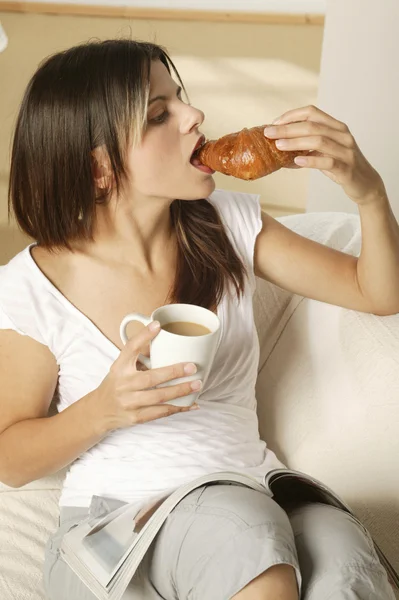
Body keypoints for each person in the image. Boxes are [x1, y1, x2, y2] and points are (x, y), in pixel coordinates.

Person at [0, 39, 397, 600]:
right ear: (99, 167)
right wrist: (104, 410)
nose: (195, 117)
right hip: (123, 524)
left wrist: (370, 194)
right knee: (244, 534)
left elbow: (375, 292)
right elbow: (9, 459)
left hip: (254, 487)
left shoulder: (228, 225)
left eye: (180, 97)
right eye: (161, 114)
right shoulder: (35, 285)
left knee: (340, 553)